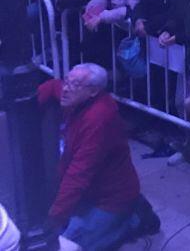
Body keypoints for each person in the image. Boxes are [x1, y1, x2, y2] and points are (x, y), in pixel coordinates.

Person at [37, 64, 160, 250]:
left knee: (72, 244)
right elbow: (54, 85)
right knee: (60, 230)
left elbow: (78, 174)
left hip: (110, 199)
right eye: (68, 80)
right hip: (91, 192)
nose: (66, 88)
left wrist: (56, 216)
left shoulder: (99, 120)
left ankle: (134, 219)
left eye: (75, 84)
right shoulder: (78, 98)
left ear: (93, 91)